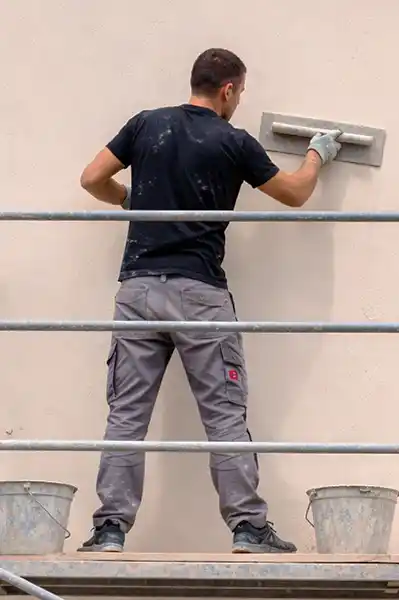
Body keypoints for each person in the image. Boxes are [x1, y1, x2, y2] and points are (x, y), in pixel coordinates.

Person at [77, 47, 342, 553]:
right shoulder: (232, 141)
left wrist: (129, 200)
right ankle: (247, 528)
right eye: (240, 93)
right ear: (228, 90)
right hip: (200, 294)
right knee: (223, 413)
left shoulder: (145, 125)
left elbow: (92, 178)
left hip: (138, 290)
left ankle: (109, 529)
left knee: (126, 414)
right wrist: (316, 155)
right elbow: (294, 194)